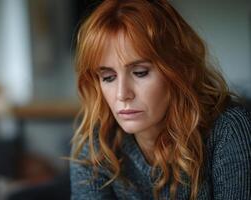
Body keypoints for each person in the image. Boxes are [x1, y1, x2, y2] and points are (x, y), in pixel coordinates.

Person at [69, 0, 251, 199]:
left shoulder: (229, 130)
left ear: (177, 70)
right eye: (108, 77)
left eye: (140, 72)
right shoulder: (97, 145)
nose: (122, 94)